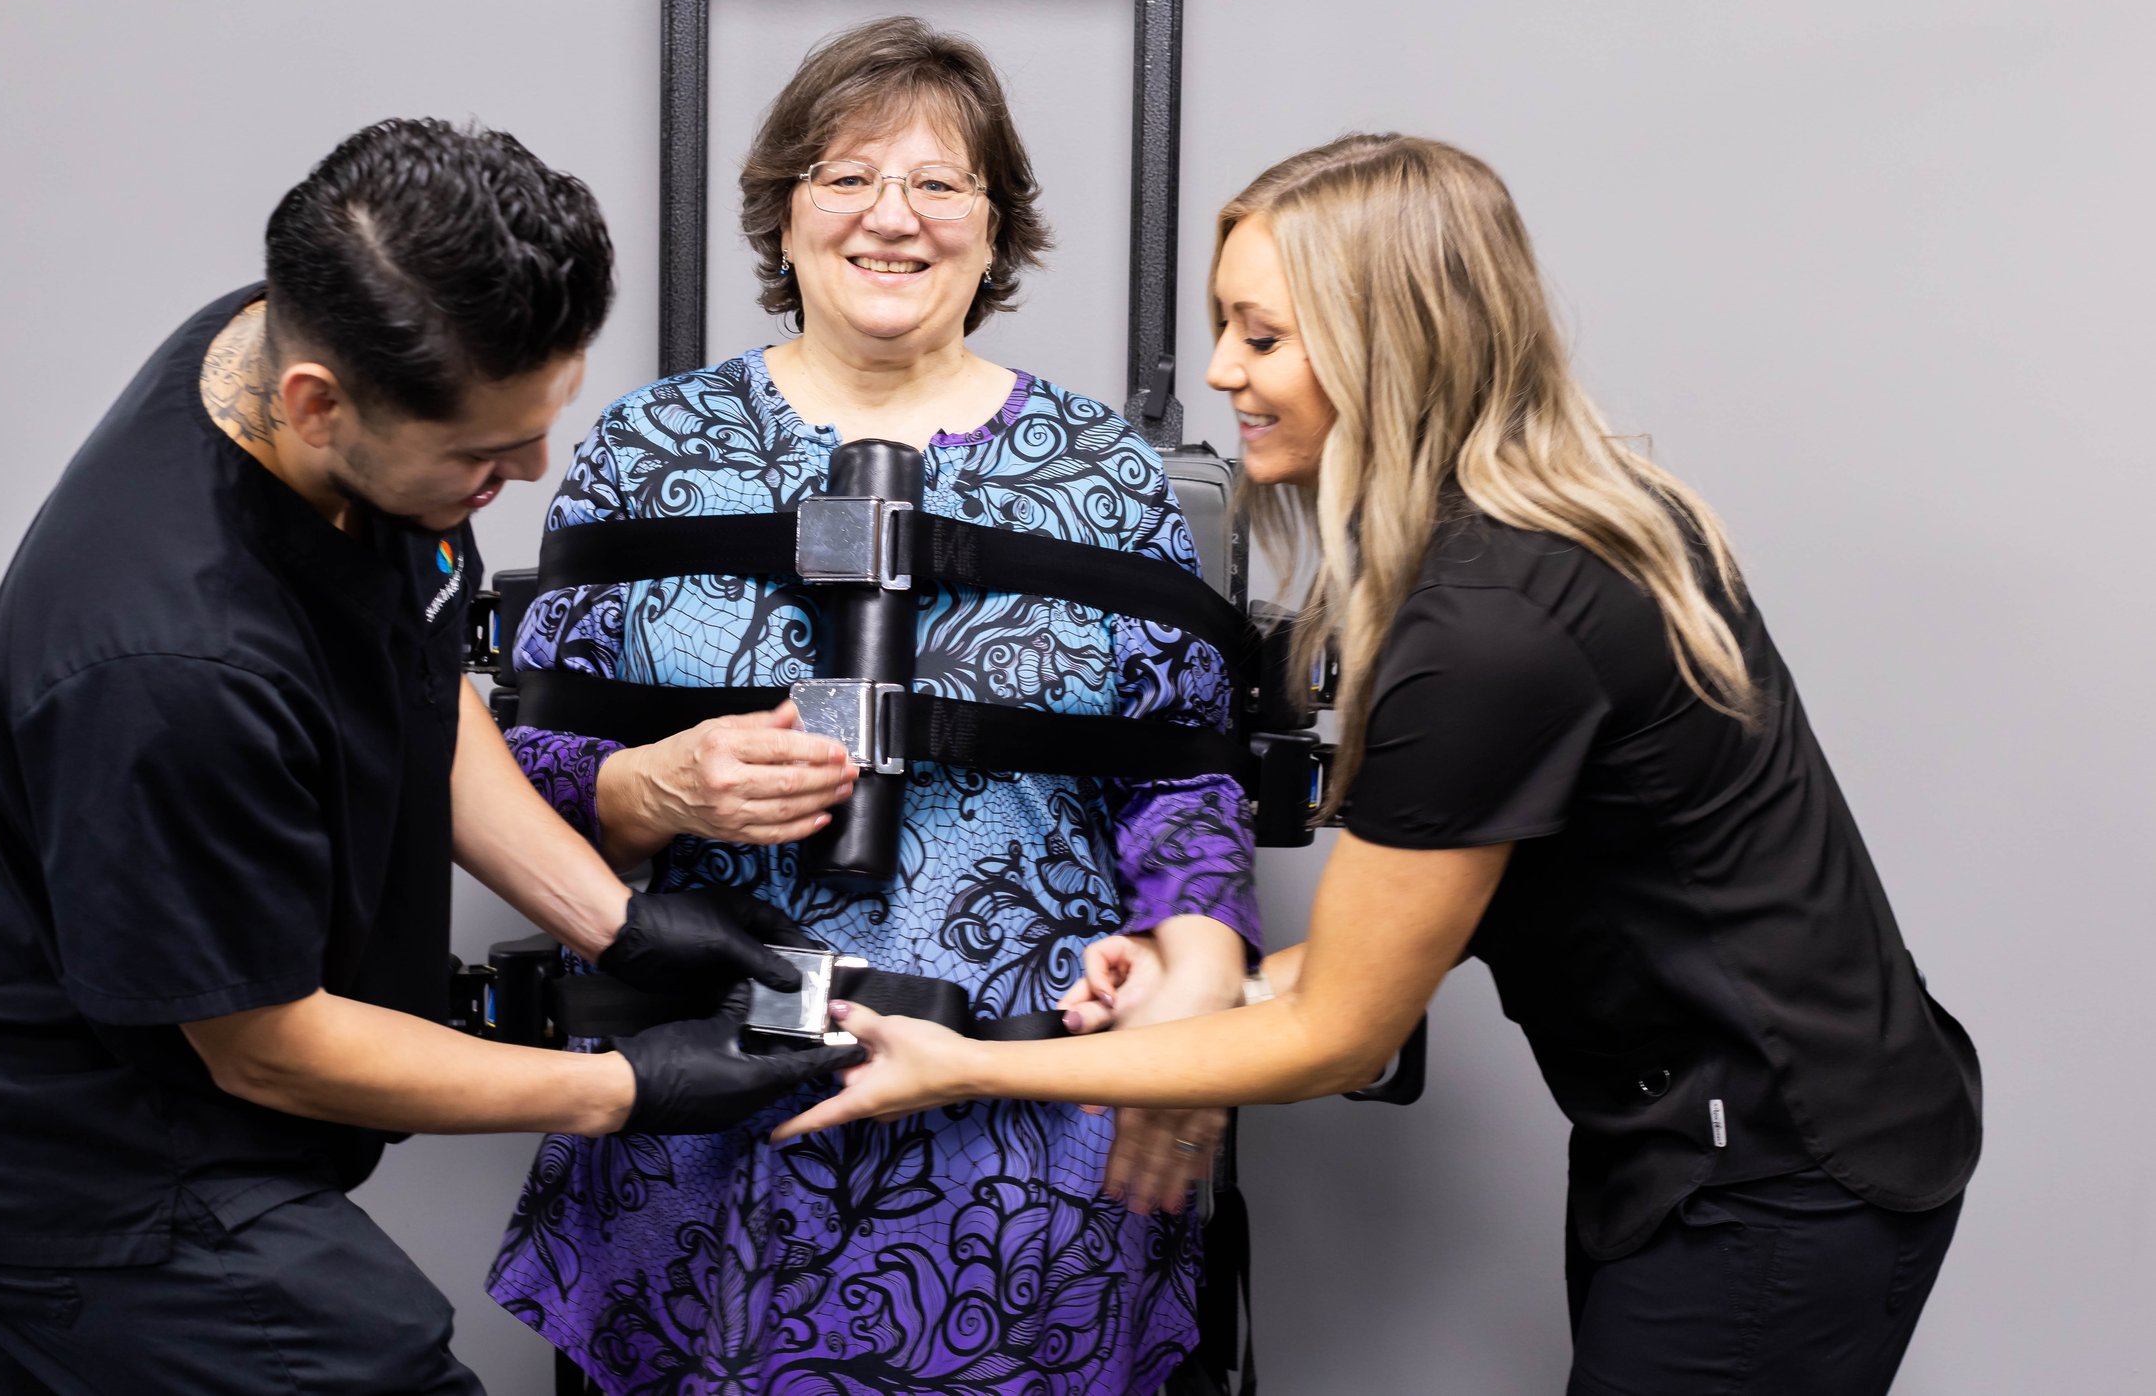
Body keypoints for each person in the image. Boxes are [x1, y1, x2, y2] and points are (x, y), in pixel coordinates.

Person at [779, 135, 1985, 1395]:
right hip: (1736, 1130)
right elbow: (1448, 899)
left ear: (1384, 346)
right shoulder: (1567, 518)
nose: (1220, 371)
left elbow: (1342, 1038)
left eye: (1262, 336)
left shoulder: (1488, 626)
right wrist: (1227, 987)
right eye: (1223, 328)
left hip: (1776, 1168)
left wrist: (968, 1065)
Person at [0, 120, 857, 1396]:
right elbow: (264, 1045)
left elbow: (414, 667)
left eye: (538, 425)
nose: (528, 470)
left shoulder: (291, 333)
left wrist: (616, 920)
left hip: (164, 1112)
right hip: (87, 1167)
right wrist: (618, 1087)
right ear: (316, 406)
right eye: (481, 457)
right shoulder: (169, 665)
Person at [486, 18, 1261, 1393]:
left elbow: (1184, 789)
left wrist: (1201, 1001)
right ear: (782, 212)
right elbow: (517, 770)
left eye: (941, 183)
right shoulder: (646, 453)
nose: (890, 217)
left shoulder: (1108, 478)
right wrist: (644, 789)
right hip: (711, 1115)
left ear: (996, 225)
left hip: (1022, 1134)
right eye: (844, 175)